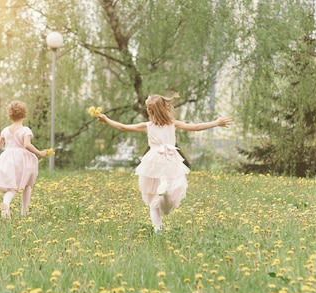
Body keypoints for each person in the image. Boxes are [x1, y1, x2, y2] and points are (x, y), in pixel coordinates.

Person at [97, 93, 232, 233]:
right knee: (168, 205)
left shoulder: (147, 126)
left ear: (149, 111)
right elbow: (196, 127)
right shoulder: (173, 124)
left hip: (153, 162)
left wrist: (106, 119)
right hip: (170, 160)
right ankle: (165, 194)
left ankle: (158, 229)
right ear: (164, 108)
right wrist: (216, 123)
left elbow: (122, 127)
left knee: (152, 204)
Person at [0, 100, 47, 219]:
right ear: (24, 114)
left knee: (12, 187)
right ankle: (24, 212)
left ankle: (6, 203)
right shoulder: (25, 130)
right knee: (27, 185)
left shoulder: (5, 130)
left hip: (8, 158)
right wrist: (40, 153)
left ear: (10, 115)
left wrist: (4, 147)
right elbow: (27, 145)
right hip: (22, 160)